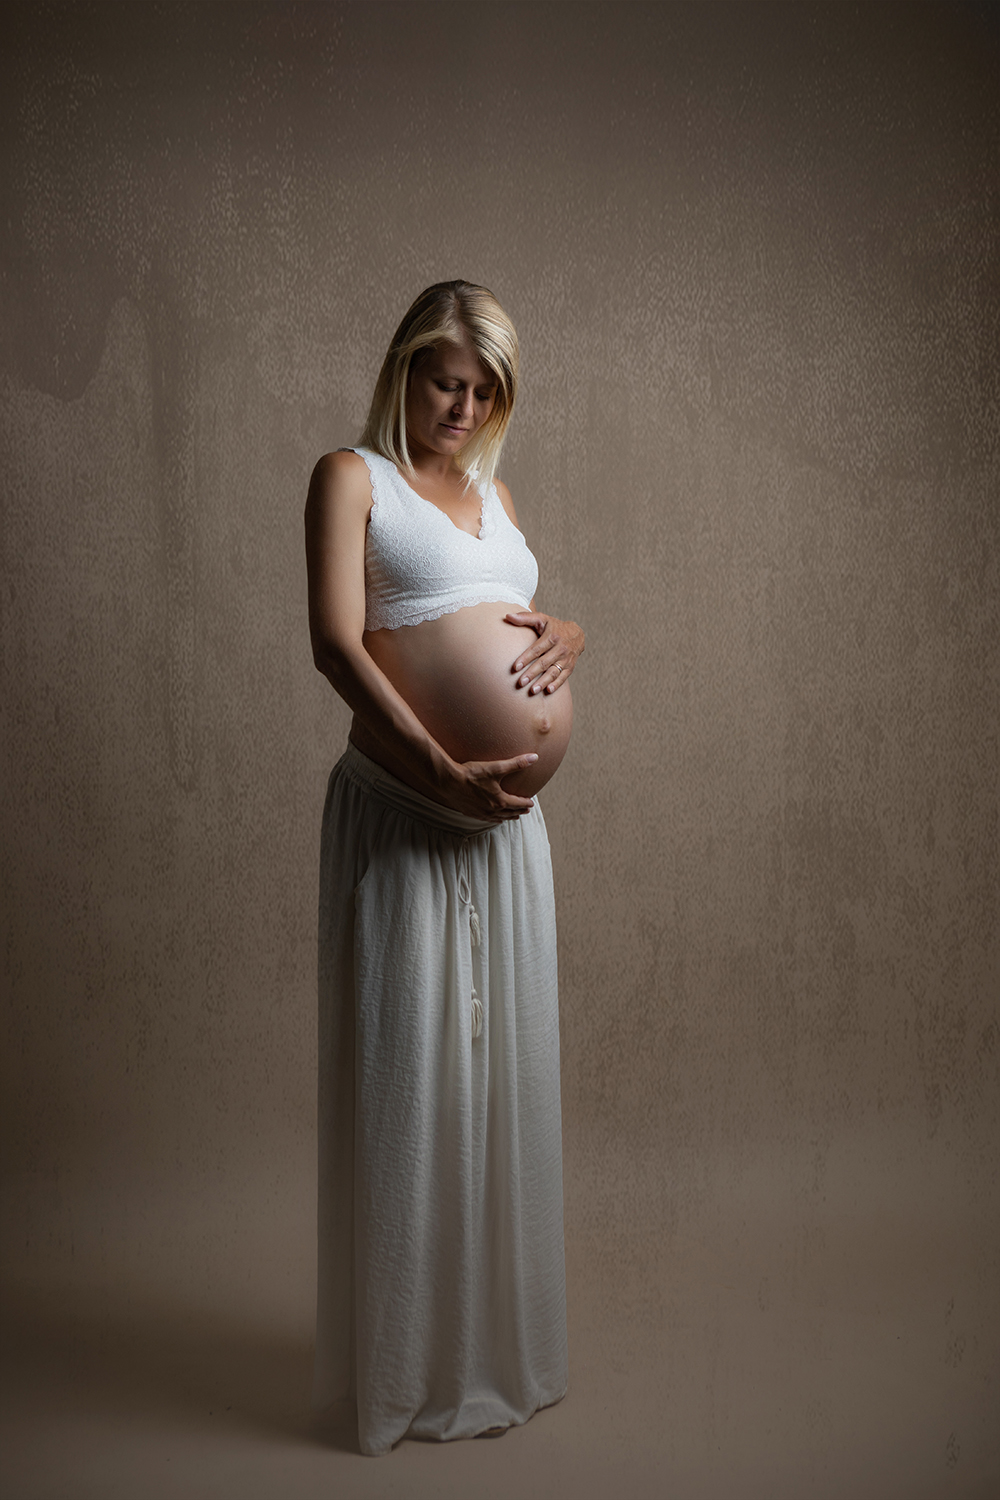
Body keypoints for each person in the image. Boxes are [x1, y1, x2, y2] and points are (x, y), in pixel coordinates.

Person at [304, 280, 584, 1456]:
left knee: (496, 1080)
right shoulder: (350, 477)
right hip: (410, 817)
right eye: (442, 381)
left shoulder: (494, 494)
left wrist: (571, 633)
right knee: (409, 1083)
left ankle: (478, 1347)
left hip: (507, 840)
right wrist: (432, 764)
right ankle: (397, 1369)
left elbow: (509, 612)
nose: (460, 406)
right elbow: (333, 639)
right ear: (405, 369)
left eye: (482, 390)